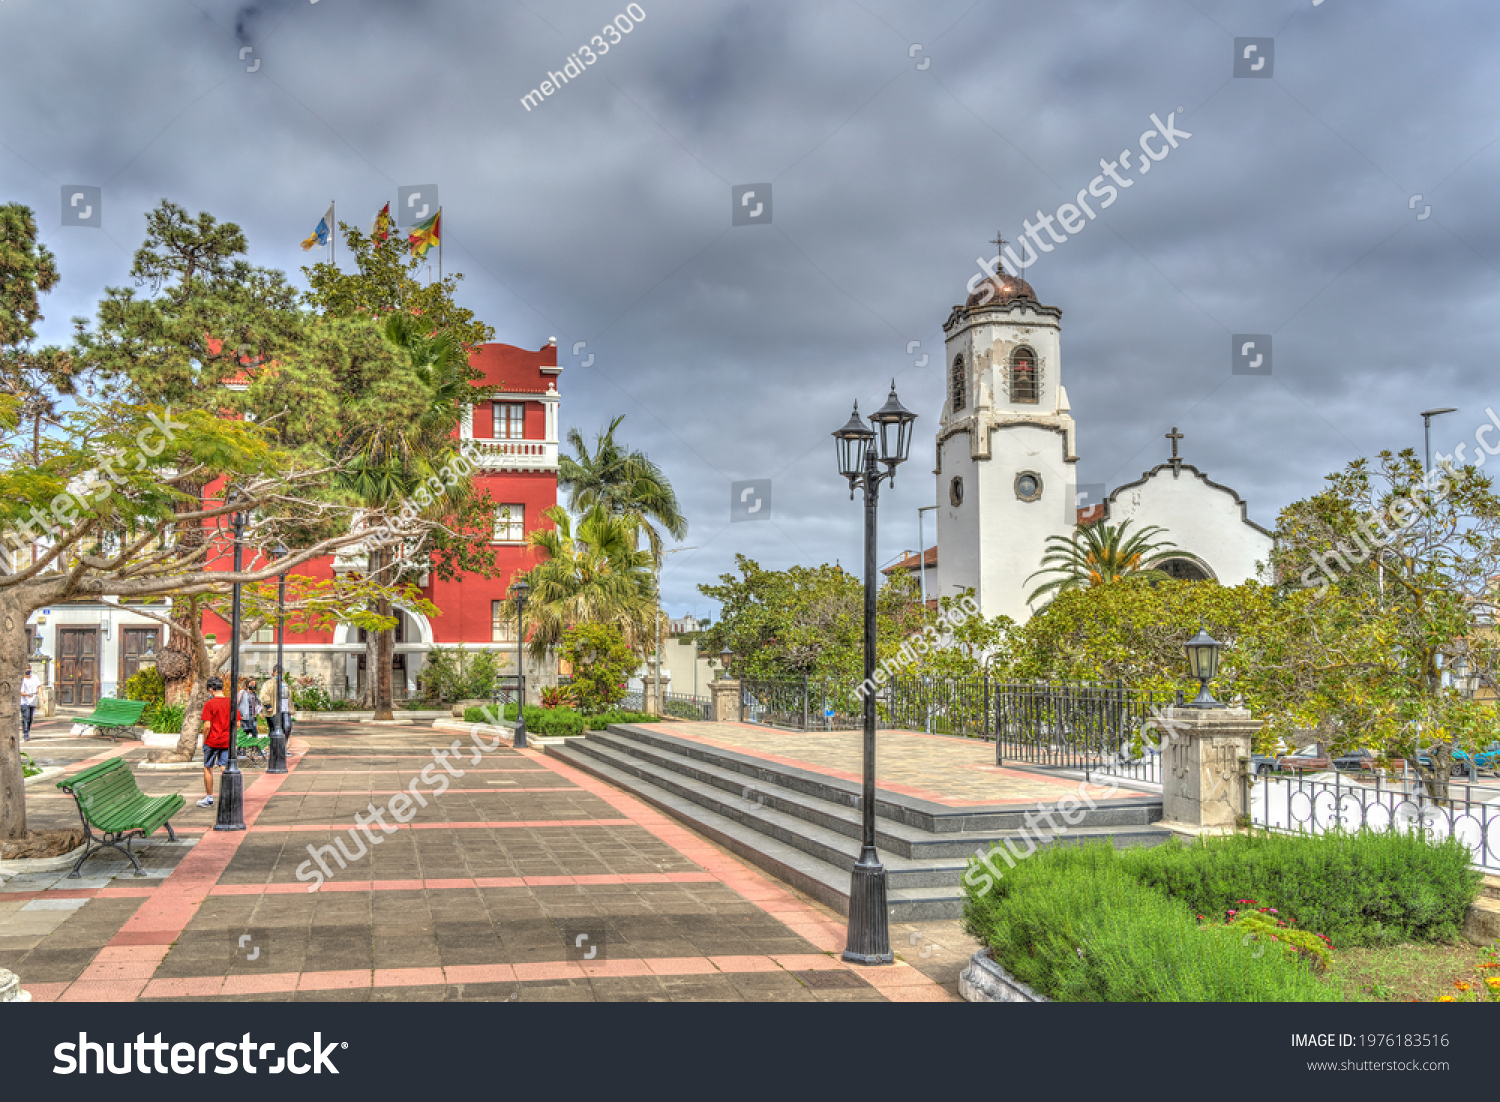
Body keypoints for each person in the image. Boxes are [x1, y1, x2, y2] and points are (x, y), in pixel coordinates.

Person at [199, 676, 233, 808]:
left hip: (212, 741)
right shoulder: (231, 703)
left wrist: (204, 740)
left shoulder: (209, 704)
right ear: (223, 688)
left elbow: (207, 726)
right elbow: (238, 723)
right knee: (224, 767)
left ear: (210, 690)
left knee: (208, 767)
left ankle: (209, 798)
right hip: (226, 741)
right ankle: (229, 795)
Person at [237, 677, 261, 745]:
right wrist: (239, 716)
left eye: (254, 684)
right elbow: (236, 704)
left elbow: (258, 704)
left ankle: (256, 749)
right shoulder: (242, 692)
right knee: (245, 733)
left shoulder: (254, 694)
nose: (253, 685)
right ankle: (241, 750)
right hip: (244, 717)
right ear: (247, 684)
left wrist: (259, 712)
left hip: (253, 717)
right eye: (251, 683)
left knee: (254, 733)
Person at [19, 666, 40, 741]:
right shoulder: (21, 679)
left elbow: (39, 687)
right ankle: (25, 734)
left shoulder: (35, 677)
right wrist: (27, 695)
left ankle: (27, 731)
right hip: (24, 701)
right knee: (26, 717)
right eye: (26, 669)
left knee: (30, 718)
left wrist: (42, 697)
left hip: (33, 701)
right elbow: (20, 692)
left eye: (29, 669)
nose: (28, 671)